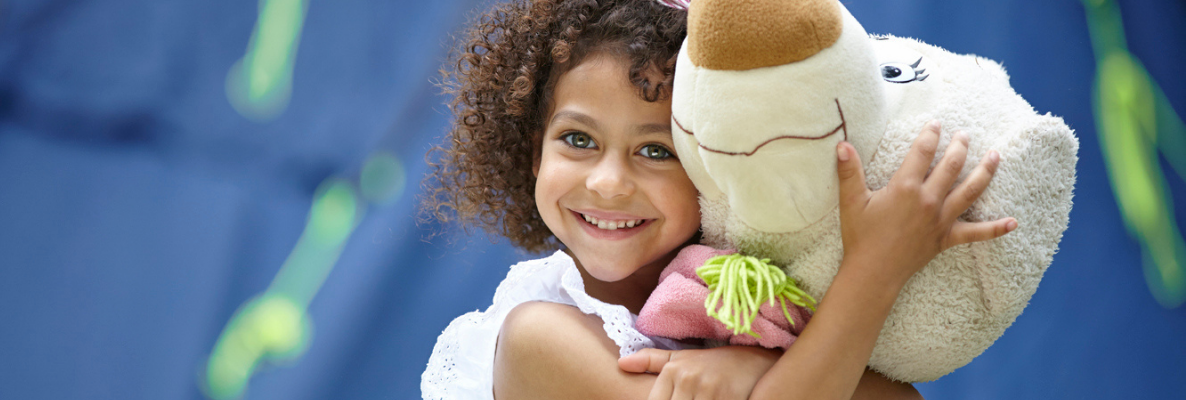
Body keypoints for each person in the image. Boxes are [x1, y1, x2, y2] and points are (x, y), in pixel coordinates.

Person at [420, 1, 1017, 399]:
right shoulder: (537, 336)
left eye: (657, 151)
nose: (607, 182)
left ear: (716, 163)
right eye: (577, 140)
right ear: (533, 154)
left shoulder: (750, 302)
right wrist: (876, 270)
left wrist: (758, 368)